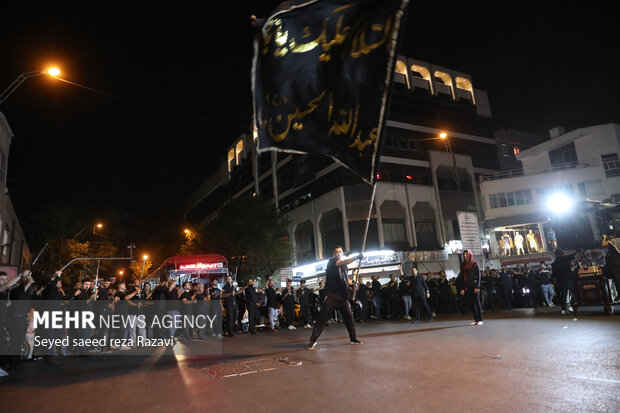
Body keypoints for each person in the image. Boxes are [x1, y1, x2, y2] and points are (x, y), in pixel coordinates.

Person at [307, 246, 363, 350]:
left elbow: (346, 278)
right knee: (322, 318)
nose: (338, 253)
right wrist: (355, 258)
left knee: (349, 317)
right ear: (334, 254)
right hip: (332, 296)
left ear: (342, 253)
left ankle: (353, 338)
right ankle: (313, 340)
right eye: (336, 252)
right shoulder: (332, 262)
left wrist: (352, 284)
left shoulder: (344, 267)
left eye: (340, 252)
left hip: (343, 297)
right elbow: (342, 262)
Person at [458, 250, 483, 325]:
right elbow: (462, 277)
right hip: (467, 286)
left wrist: (477, 287)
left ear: (469, 255)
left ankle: (480, 320)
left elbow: (479, 277)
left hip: (474, 285)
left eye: (466, 254)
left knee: (477, 303)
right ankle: (476, 320)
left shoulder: (475, 264)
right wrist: (462, 288)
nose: (465, 256)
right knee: (472, 304)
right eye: (464, 254)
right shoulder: (463, 265)